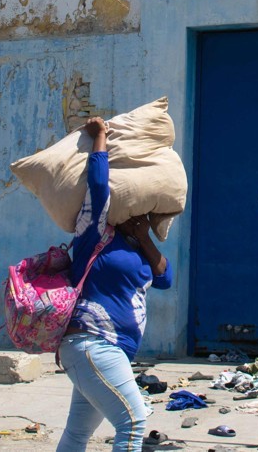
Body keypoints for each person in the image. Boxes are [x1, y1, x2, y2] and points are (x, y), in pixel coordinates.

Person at [56, 116, 173, 452]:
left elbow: (165, 278)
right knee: (133, 422)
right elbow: (98, 186)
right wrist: (101, 137)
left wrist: (145, 237)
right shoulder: (94, 232)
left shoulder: (138, 246)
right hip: (93, 343)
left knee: (77, 434)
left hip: (112, 350)